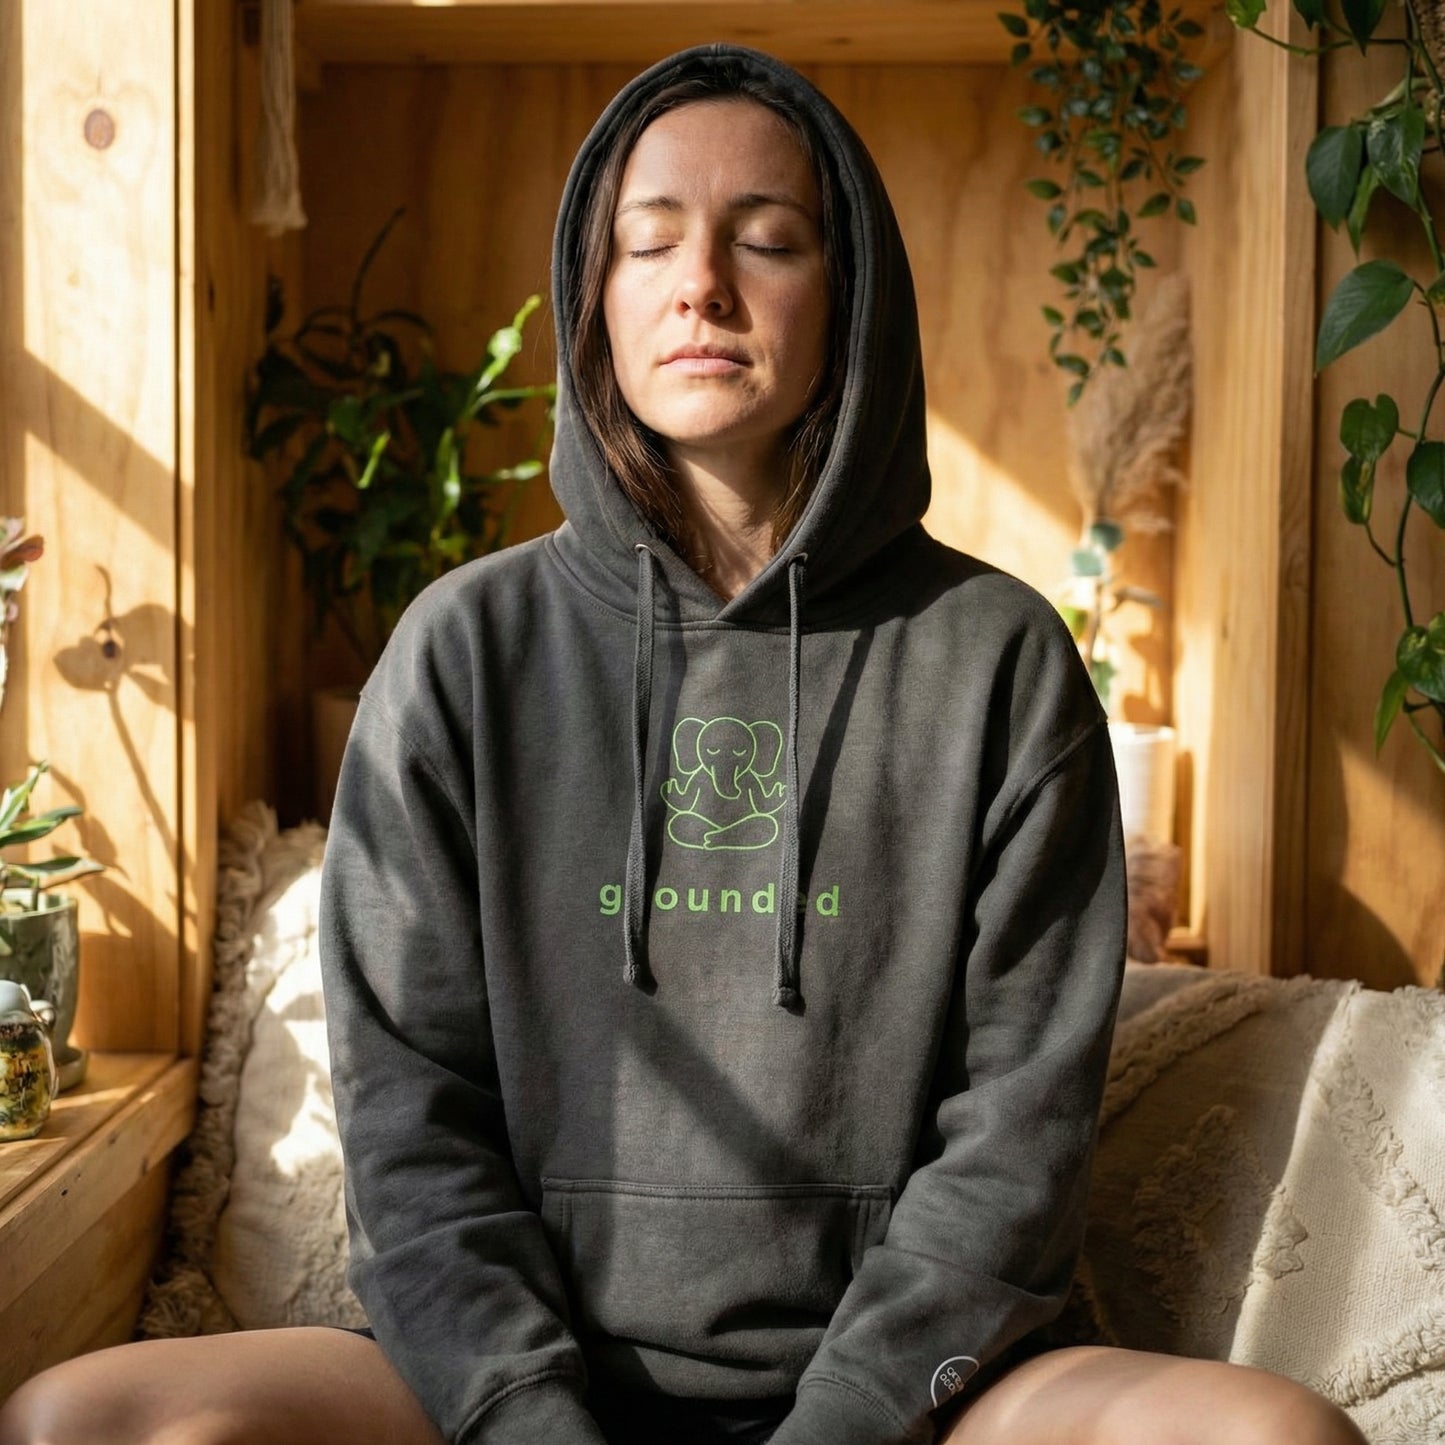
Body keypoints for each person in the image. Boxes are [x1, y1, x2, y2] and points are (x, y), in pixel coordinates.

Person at [0, 43, 1365, 1445]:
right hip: (527, 1377)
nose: (701, 284)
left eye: (766, 240)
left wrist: (840, 1426)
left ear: (851, 297)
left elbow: (1016, 1139)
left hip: (914, 1401)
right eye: (648, 243)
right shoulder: (464, 651)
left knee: (1272, 1437)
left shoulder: (994, 660)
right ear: (596, 300)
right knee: (81, 1419)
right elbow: (413, 1128)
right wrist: (529, 1414)